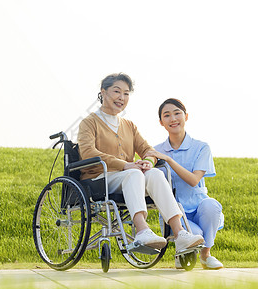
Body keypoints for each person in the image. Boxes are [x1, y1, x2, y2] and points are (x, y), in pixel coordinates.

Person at [77, 73, 204, 253]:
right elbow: (87, 152)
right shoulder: (89, 123)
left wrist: (148, 162)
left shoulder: (129, 125)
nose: (122, 97)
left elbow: (148, 151)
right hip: (99, 178)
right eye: (117, 91)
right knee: (134, 173)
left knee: (154, 174)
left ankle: (180, 233)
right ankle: (142, 230)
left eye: (126, 93)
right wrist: (125, 164)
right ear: (103, 92)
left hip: (128, 177)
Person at [145, 98, 224, 270]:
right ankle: (184, 253)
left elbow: (194, 180)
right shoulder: (156, 149)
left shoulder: (201, 147)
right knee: (197, 235)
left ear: (186, 116)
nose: (173, 119)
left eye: (177, 113)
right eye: (167, 115)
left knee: (212, 206)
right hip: (177, 212)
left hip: (200, 206)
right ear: (161, 122)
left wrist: (168, 160)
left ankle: (206, 255)